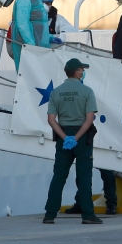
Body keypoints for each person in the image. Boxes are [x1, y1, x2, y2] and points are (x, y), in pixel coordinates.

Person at [43, 58, 102, 225]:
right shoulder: (87, 91)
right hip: (82, 137)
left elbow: (51, 119)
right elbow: (89, 119)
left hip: (63, 137)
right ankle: (88, 215)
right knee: (84, 177)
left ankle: (49, 214)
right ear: (76, 72)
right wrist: (76, 138)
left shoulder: (56, 92)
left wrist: (65, 138)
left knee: (59, 176)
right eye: (82, 70)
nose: (83, 72)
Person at [12, 0, 55, 71]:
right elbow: (22, 24)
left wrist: (49, 37)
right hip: (29, 46)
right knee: (28, 75)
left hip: (38, 46)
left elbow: (39, 23)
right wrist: (31, 45)